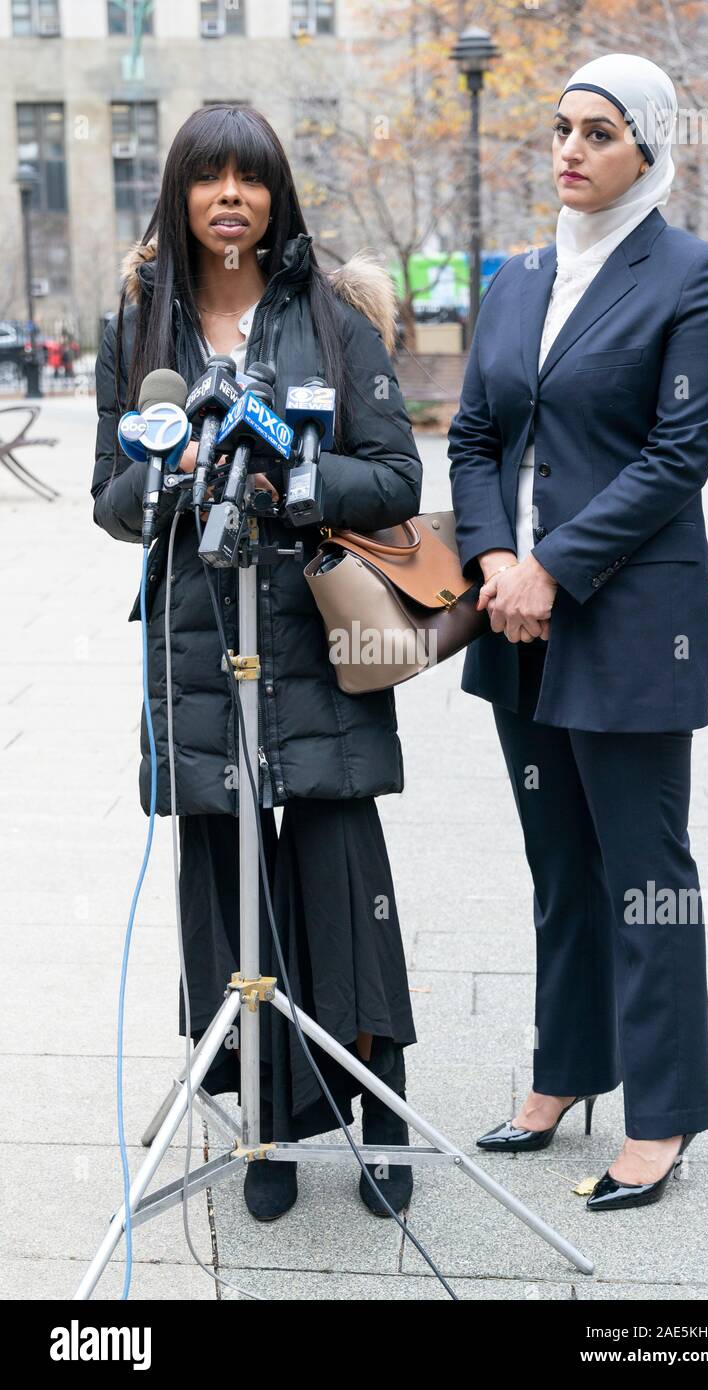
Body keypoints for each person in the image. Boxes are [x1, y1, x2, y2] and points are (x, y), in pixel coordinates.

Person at [91, 104, 423, 1222]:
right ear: (180, 195)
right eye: (208, 178)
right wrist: (168, 480)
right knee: (225, 887)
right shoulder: (139, 323)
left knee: (339, 867)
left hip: (312, 633)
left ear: (277, 194)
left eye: (251, 177)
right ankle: (267, 1126)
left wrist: (305, 488)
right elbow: (108, 497)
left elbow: (397, 475)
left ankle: (382, 1117)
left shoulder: (331, 316)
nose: (230, 195)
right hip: (197, 638)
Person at [448, 54, 708, 1213]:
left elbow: (679, 457)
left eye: (600, 132)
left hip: (628, 624)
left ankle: (663, 1113)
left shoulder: (693, 276)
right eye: (561, 128)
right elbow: (473, 434)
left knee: (645, 871)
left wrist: (554, 570)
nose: (570, 148)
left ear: (651, 148)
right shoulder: (517, 279)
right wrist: (494, 562)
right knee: (557, 861)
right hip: (513, 616)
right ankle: (566, 1072)